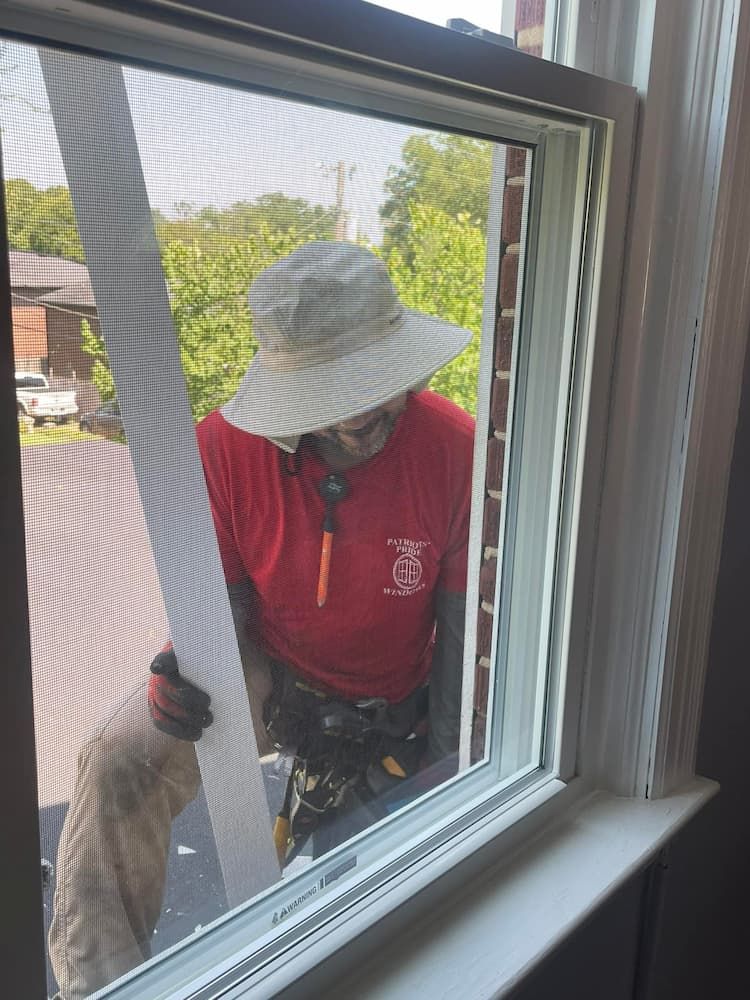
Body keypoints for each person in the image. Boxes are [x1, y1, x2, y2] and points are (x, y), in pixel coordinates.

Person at [49, 241, 475, 999]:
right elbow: (224, 599)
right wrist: (186, 662)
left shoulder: (453, 449)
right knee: (116, 763)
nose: (367, 412)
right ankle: (98, 986)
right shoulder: (222, 448)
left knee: (357, 916)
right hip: (271, 667)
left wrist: (445, 778)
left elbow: (461, 630)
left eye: (377, 385)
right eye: (338, 392)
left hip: (393, 688)